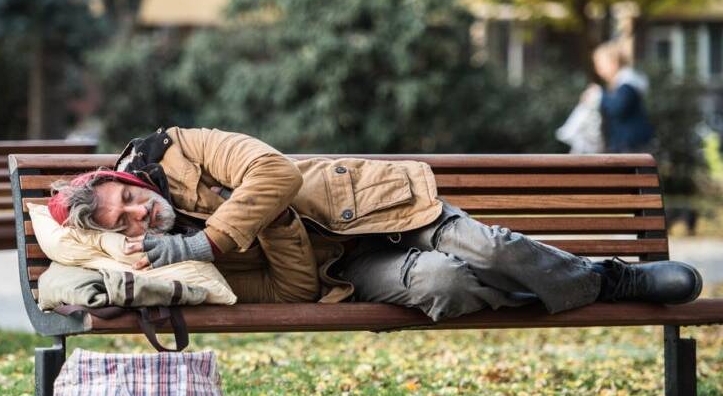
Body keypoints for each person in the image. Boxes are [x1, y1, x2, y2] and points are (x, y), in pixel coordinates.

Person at [47, 127, 702, 321]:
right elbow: (291, 293)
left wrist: (208, 236)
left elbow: (273, 172)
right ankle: (569, 287)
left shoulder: (182, 147)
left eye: (128, 199)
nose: (138, 213)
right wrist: (260, 230)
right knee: (446, 286)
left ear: (126, 180)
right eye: (121, 222)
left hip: (375, 208)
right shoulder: (177, 267)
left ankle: (611, 278)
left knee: (486, 244)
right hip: (351, 269)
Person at [582, 40, 655, 153]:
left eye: (600, 64)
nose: (598, 70)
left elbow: (617, 108)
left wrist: (599, 96)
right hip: (628, 145)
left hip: (631, 145)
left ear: (614, 62)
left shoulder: (627, 84)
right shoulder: (623, 83)